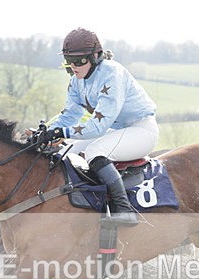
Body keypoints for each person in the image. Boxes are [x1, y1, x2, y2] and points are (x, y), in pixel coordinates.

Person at [36, 27, 159, 226]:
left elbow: (98, 127)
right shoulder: (77, 81)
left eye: (79, 61)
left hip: (142, 130)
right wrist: (45, 132)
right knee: (66, 150)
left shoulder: (112, 73)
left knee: (95, 150)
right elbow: (69, 115)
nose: (73, 66)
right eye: (69, 61)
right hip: (118, 131)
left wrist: (61, 132)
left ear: (95, 56)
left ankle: (124, 209)